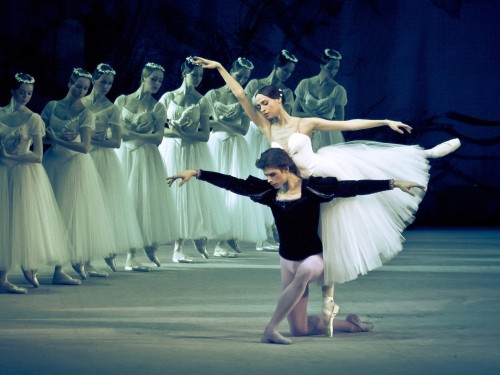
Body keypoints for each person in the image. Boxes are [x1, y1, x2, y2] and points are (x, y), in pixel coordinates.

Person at [191, 56, 461, 336]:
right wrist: (221, 68)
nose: (261, 109)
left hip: (319, 179)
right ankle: (332, 314)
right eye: (259, 105)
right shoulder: (266, 128)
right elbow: (240, 95)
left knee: (333, 234)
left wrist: (384, 121)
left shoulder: (303, 124)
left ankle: (423, 154)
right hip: (295, 189)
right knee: (308, 243)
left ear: (278, 100)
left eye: (265, 104)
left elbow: (347, 125)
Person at [167, 148, 426, 344]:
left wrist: (393, 183)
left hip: (313, 258)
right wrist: (197, 173)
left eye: (272, 174)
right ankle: (351, 324)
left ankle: (270, 329)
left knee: (304, 275)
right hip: (286, 260)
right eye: (266, 175)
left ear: (286, 168)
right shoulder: (270, 193)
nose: (268, 179)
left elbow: (353, 187)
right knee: (300, 330)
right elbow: (235, 184)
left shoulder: (313, 189)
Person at [0, 73, 75, 293]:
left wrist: (11, 157)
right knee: (4, 220)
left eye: (30, 93)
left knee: (23, 221)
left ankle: (28, 264)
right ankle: (2, 277)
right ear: (13, 91)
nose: (26, 96)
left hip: (24, 173)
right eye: (22, 92)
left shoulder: (33, 118)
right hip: (3, 171)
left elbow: (38, 156)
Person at [42, 67, 115, 281]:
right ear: (69, 83)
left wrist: (58, 139)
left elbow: (84, 146)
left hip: (75, 166)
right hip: (53, 162)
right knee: (50, 211)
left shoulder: (86, 114)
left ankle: (61, 268)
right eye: (78, 86)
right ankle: (42, 260)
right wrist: (50, 139)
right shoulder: (52, 107)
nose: (82, 91)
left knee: (69, 214)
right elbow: (43, 139)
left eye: (85, 88)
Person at [158, 57, 228, 260]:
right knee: (174, 195)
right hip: (172, 150)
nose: (197, 79)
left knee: (192, 195)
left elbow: (205, 135)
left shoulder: (202, 100)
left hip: (193, 150)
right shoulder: (168, 97)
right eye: (194, 74)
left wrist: (183, 133)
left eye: (200, 76)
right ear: (184, 73)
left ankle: (192, 239)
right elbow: (160, 131)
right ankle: (177, 247)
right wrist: (177, 133)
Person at [114, 62, 179, 271]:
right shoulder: (122, 100)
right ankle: (114, 248)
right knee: (121, 199)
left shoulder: (157, 107)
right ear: (144, 77)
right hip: (124, 155)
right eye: (154, 79)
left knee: (142, 202)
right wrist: (132, 135)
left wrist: (132, 135)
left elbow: (158, 138)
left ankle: (134, 254)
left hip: (145, 157)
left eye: (160, 80)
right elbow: (116, 130)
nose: (157, 84)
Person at [82, 63, 144, 272]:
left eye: (109, 83)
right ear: (93, 80)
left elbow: (117, 142)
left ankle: (106, 252)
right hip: (81, 157)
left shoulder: (112, 108)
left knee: (104, 206)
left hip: (103, 160)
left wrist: (94, 140)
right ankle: (86, 259)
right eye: (103, 81)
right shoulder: (80, 103)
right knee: (86, 207)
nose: (106, 86)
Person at [204, 57, 267, 255]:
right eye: (238, 75)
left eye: (245, 78)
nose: (240, 80)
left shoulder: (244, 100)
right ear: (230, 72)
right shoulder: (212, 95)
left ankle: (223, 241)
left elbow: (243, 128)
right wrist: (220, 124)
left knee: (232, 190)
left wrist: (220, 123)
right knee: (216, 189)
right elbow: (207, 124)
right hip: (216, 144)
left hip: (236, 146)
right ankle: (212, 236)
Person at [244, 49, 298, 251]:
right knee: (254, 177)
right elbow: (247, 109)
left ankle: (269, 231)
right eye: (286, 70)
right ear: (277, 67)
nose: (288, 75)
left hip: (272, 135)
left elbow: (287, 116)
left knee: (273, 179)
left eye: (291, 72)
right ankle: (258, 232)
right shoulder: (255, 84)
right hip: (254, 133)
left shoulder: (287, 93)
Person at [292, 48, 346, 150]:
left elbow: (340, 121)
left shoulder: (339, 90)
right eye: (330, 68)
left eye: (336, 68)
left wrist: (314, 118)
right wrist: (314, 118)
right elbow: (295, 112)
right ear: (322, 65)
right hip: (305, 130)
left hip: (328, 134)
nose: (333, 72)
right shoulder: (305, 84)